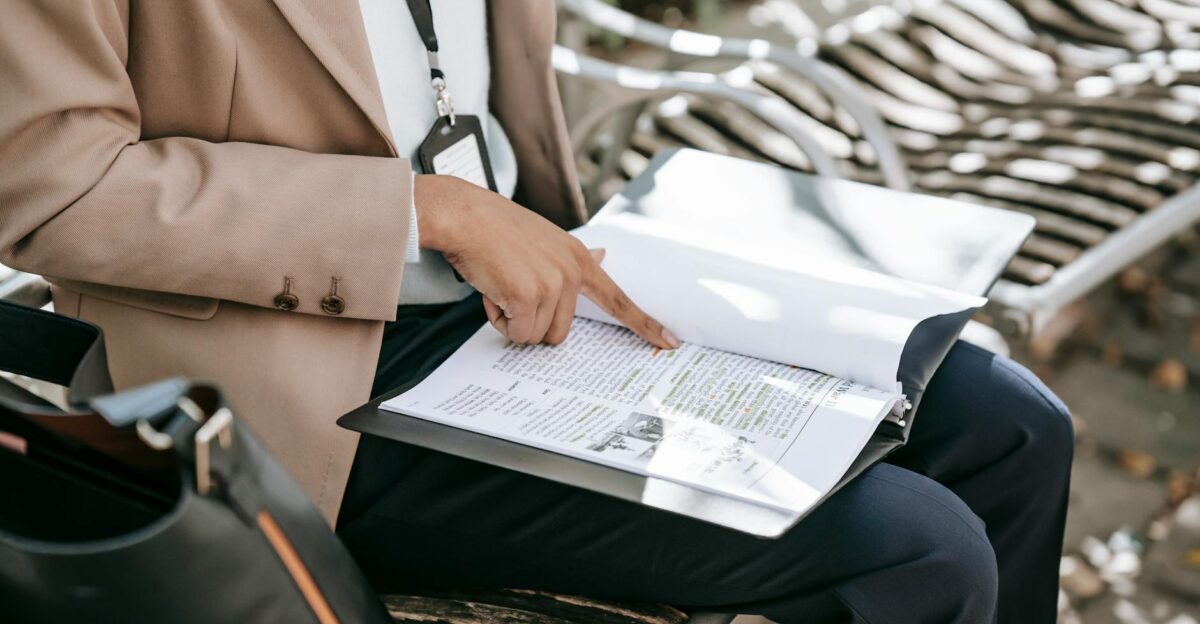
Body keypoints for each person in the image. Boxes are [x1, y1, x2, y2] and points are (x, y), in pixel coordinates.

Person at [0, 2, 1072, 622]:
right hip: (302, 389)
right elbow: (52, 185)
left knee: (1016, 429)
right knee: (921, 553)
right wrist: (422, 212)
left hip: (537, 282)